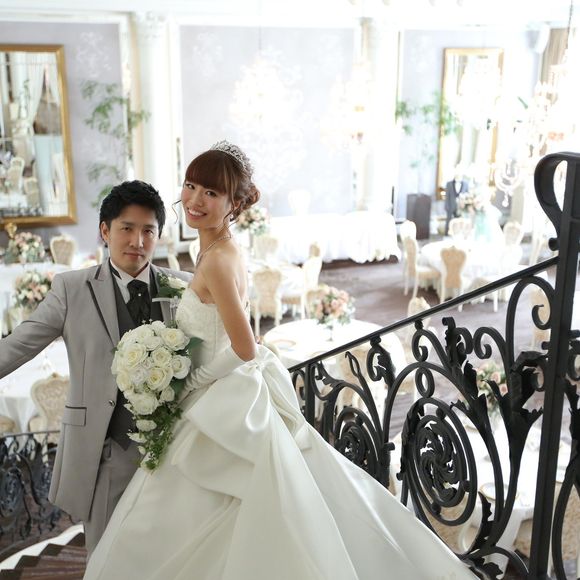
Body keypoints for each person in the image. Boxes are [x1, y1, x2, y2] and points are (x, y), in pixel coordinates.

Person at [84, 142, 476, 580]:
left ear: (234, 204)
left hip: (219, 394)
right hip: (225, 391)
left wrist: (190, 381)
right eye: (191, 186)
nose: (195, 199)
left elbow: (245, 346)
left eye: (211, 193)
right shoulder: (214, 249)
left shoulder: (218, 260)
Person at [0, 180, 191, 556]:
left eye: (148, 231)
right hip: (106, 451)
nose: (137, 241)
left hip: (175, 450)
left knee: (171, 554)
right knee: (106, 557)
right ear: (105, 231)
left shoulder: (183, 287)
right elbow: (21, 342)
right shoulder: (72, 289)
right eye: (127, 228)